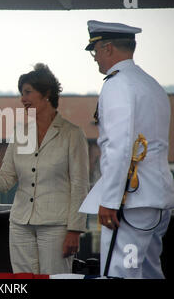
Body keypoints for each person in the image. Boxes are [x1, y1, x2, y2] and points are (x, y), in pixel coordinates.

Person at [0, 63, 89, 274]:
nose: (22, 99)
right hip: (20, 225)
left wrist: (75, 230)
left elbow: (80, 185)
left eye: (27, 92)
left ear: (47, 93)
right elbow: (7, 178)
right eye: (21, 93)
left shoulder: (72, 134)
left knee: (54, 279)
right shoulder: (21, 133)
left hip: (56, 226)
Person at [79, 20, 174, 278]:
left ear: (108, 48)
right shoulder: (151, 84)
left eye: (95, 50)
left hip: (130, 201)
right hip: (156, 196)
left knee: (120, 272)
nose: (95, 58)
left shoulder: (117, 84)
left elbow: (119, 146)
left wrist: (109, 201)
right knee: (148, 271)